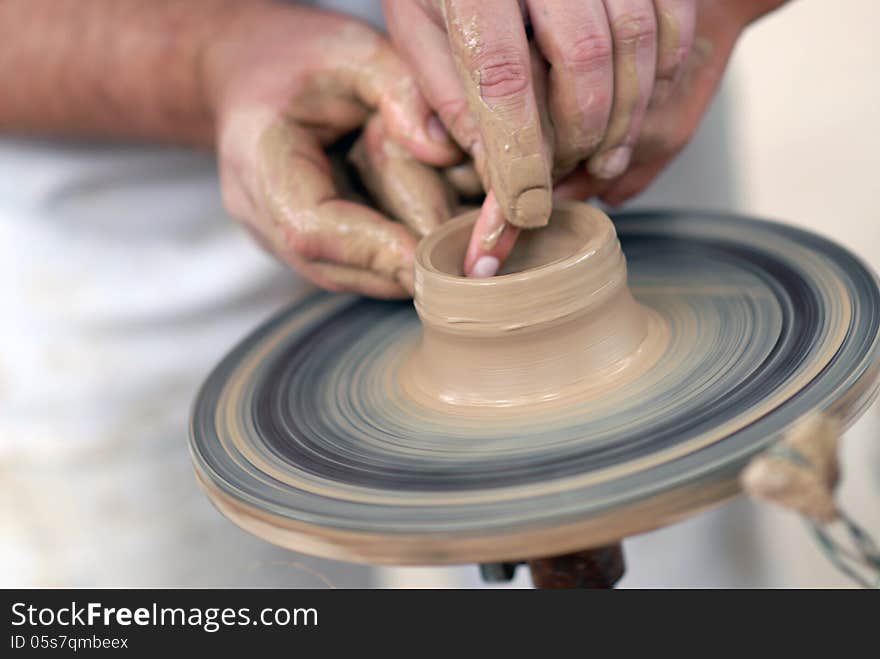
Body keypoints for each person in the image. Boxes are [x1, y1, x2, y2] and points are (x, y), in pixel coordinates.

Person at [0, 0, 786, 587]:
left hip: (602, 86)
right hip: (128, 200)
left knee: (679, 561)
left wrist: (709, 10)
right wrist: (208, 61)